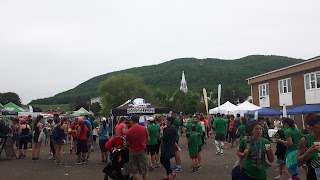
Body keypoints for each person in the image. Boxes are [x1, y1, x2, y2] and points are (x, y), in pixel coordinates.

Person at [126, 116, 150, 180]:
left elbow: (127, 143)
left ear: (132, 121)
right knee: (144, 169)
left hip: (132, 151)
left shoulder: (128, 131)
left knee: (134, 170)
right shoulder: (144, 129)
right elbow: (148, 139)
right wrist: (143, 143)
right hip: (142, 150)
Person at [297, 113, 320, 180]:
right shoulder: (305, 140)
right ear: (312, 126)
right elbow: (298, 162)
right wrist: (309, 152)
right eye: (319, 124)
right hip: (313, 176)